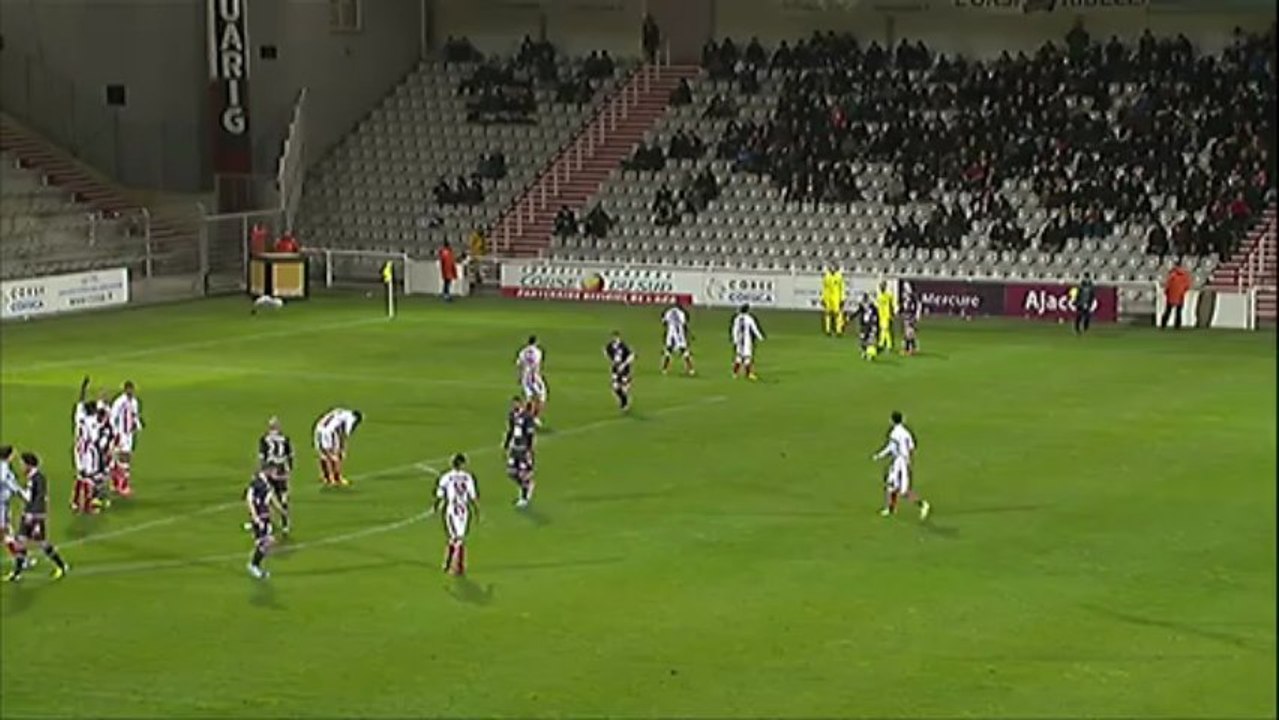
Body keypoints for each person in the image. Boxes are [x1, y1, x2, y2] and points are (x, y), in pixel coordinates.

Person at [6, 452, 70, 582]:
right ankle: (16, 573)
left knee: (42, 543)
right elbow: (29, 497)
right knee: (21, 542)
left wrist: (32, 514)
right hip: (27, 514)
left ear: (29, 464)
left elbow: (40, 498)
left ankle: (61, 566)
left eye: (23, 464)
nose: (21, 466)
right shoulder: (31, 477)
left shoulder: (39, 478)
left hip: (35, 516)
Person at [872, 412, 929, 520]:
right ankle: (891, 508)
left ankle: (922, 504)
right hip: (904, 461)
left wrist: (879, 455)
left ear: (892, 420)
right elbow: (912, 448)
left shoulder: (894, 433)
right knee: (891, 485)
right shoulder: (907, 433)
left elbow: (890, 448)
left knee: (903, 491)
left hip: (899, 461)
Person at [433, 454, 480, 576]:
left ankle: (451, 565)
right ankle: (457, 567)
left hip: (451, 509)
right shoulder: (468, 477)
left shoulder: (446, 477)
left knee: (454, 538)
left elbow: (439, 495)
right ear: (462, 464)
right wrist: (477, 511)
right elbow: (473, 497)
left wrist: (436, 507)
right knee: (459, 539)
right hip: (463, 510)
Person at [244, 467, 284, 579]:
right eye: (274, 471)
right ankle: (253, 565)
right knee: (266, 543)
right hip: (260, 518)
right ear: (268, 470)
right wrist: (255, 517)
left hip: (265, 517)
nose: (275, 474)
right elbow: (249, 499)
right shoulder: (256, 483)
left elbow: (270, 499)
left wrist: (280, 511)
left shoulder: (265, 483)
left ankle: (256, 565)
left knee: (268, 543)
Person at [258, 416, 294, 535]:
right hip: (281, 470)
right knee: (283, 497)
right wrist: (288, 471)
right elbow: (290, 456)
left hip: (269, 470)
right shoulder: (285, 439)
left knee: (267, 498)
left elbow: (262, 458)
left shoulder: (264, 439)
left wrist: (262, 471)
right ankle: (285, 524)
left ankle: (267, 524)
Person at [313, 408, 363, 487]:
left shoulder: (340, 411)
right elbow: (345, 434)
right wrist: (342, 448)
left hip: (318, 428)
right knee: (335, 454)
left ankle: (327, 478)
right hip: (329, 431)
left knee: (323, 454)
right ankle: (338, 478)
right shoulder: (350, 418)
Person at [108, 380, 142, 498]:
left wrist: (138, 425)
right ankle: (123, 486)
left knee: (120, 459)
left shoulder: (134, 401)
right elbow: (112, 417)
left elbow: (135, 415)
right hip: (120, 434)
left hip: (129, 434)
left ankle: (115, 483)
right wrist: (114, 433)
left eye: (132, 389)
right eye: (129, 389)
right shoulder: (119, 401)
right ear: (125, 389)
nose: (131, 391)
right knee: (124, 458)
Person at [502, 398, 537, 508]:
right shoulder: (512, 415)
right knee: (511, 472)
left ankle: (524, 497)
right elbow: (510, 430)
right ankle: (527, 485)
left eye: (516, 404)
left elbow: (530, 434)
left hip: (523, 448)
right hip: (514, 448)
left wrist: (529, 450)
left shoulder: (527, 416)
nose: (514, 406)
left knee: (523, 473)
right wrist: (506, 445)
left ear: (521, 404)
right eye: (512, 404)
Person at [2, 445, 29, 563]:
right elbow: (4, 480)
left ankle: (21, 559)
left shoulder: (5, 466)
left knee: (6, 532)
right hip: (1, 505)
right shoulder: (3, 468)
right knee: (5, 532)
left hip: (4, 504)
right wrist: (19, 492)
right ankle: (21, 560)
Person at [516, 336, 547, 425]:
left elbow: (519, 364)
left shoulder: (522, 351)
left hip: (525, 377)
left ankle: (521, 417)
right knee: (542, 396)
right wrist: (534, 378)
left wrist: (520, 376)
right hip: (534, 377)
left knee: (529, 398)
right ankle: (534, 417)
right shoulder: (538, 352)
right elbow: (535, 365)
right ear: (536, 342)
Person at [660, 302, 696, 376]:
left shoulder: (668, 311)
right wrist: (689, 335)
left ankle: (664, 369)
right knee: (684, 351)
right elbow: (684, 325)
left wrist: (665, 334)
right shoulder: (681, 313)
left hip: (670, 334)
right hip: (679, 334)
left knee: (668, 350)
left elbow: (664, 323)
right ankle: (691, 370)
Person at [730, 304, 764, 380]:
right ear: (747, 310)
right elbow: (754, 328)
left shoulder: (737, 318)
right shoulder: (749, 319)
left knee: (739, 357)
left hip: (739, 340)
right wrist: (760, 337)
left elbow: (734, 330)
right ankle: (748, 374)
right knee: (747, 358)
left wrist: (735, 339)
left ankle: (735, 373)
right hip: (746, 340)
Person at [604, 331, 635, 412]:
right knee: (615, 387)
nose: (615, 339)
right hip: (615, 368)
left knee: (624, 387)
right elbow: (606, 352)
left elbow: (632, 356)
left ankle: (624, 402)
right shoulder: (610, 346)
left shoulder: (624, 346)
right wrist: (612, 362)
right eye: (614, 337)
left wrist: (624, 364)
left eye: (617, 337)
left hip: (624, 369)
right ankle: (624, 401)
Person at [1162, 259, 1193, 330]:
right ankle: (1177, 326)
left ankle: (1163, 324)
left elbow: (1168, 285)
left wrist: (1166, 292)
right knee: (1178, 311)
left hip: (1171, 294)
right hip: (1180, 295)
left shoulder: (1172, 274)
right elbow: (1187, 286)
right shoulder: (1185, 275)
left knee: (1168, 310)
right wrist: (1183, 292)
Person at [821, 263, 846, 337]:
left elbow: (842, 288)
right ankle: (828, 330)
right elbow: (824, 288)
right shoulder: (826, 276)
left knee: (838, 313)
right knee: (827, 313)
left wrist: (842, 298)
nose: (832, 269)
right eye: (831, 267)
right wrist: (823, 298)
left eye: (834, 267)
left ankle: (839, 330)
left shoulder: (839, 276)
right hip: (828, 297)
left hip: (836, 297)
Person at [875, 280, 897, 354]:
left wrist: (891, 314)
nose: (881, 288)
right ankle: (888, 345)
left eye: (883, 286)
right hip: (881, 316)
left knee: (885, 330)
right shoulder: (879, 296)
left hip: (886, 316)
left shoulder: (888, 296)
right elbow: (878, 307)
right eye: (881, 287)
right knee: (885, 331)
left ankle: (882, 344)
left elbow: (891, 305)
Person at [900, 281, 921, 355]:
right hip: (906, 316)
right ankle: (908, 348)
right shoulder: (905, 296)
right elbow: (904, 306)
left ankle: (911, 349)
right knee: (906, 333)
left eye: (907, 287)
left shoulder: (914, 296)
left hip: (911, 316)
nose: (906, 288)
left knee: (910, 333)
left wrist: (917, 315)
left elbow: (918, 305)